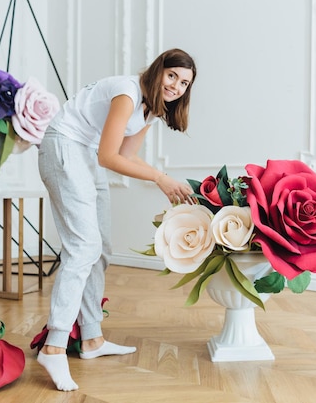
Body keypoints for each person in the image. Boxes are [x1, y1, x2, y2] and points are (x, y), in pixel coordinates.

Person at [36, 48, 197, 391]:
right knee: (84, 247)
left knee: (101, 247)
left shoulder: (150, 109)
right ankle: (54, 345)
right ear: (158, 70)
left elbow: (126, 155)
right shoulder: (127, 92)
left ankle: (91, 339)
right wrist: (159, 178)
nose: (176, 86)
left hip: (86, 154)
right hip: (64, 145)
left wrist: (162, 177)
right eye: (172, 76)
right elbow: (109, 157)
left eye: (184, 83)